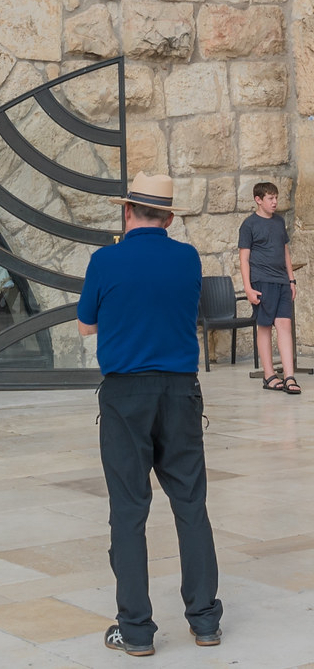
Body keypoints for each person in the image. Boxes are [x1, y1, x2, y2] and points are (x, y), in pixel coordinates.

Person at [76, 172, 222, 657]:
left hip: (125, 395)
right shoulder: (187, 257)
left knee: (128, 512)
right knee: (191, 506)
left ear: (127, 211)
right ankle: (205, 621)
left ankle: (136, 630)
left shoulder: (105, 259)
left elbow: (85, 325)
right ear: (170, 216)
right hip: (181, 392)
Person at [239, 181, 299, 394]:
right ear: (258, 200)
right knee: (264, 327)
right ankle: (269, 375)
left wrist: (291, 280)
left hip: (282, 281)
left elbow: (285, 252)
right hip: (261, 281)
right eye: (270, 198)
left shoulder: (279, 222)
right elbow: (244, 259)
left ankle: (289, 376)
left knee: (284, 325)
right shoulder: (249, 225)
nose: (275, 202)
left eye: (276, 198)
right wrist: (248, 288)